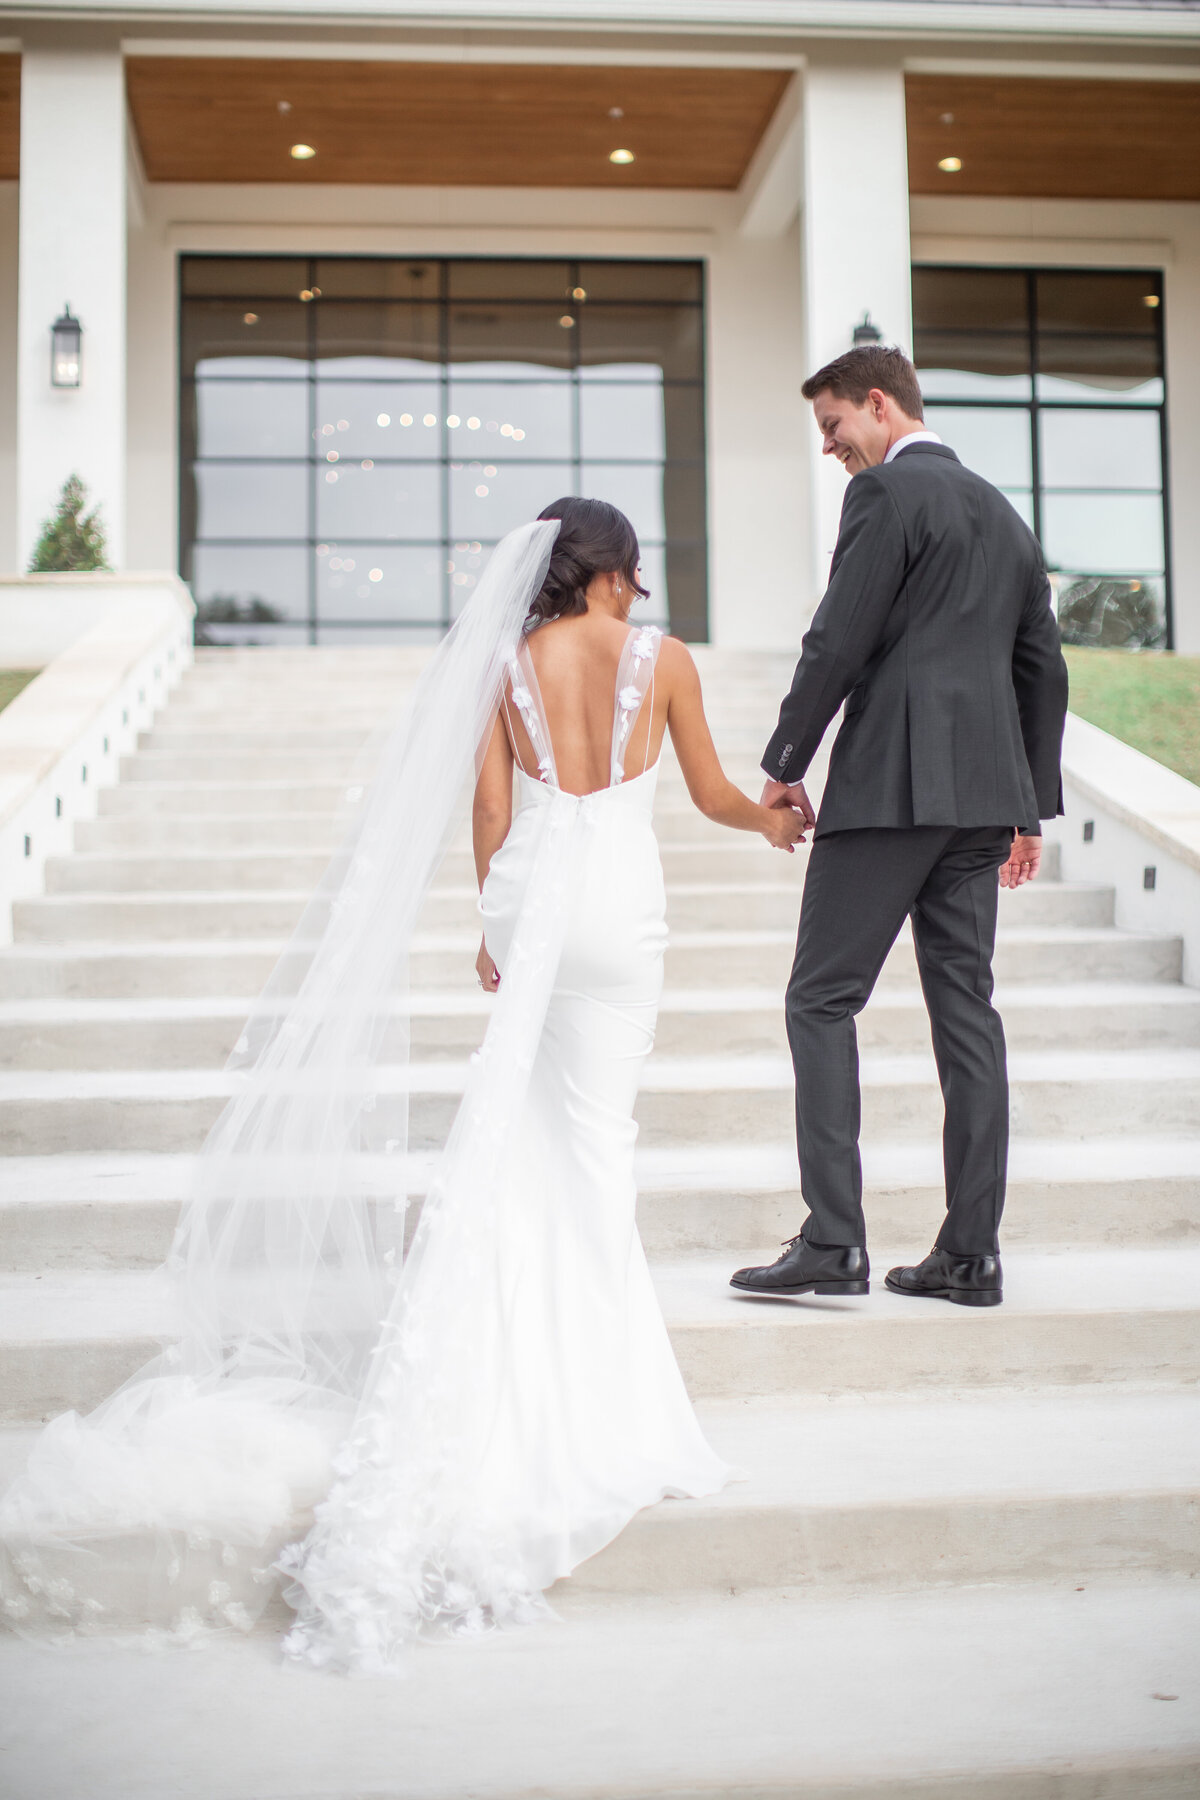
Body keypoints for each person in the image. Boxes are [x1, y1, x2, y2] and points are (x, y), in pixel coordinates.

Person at [0, 501, 805, 1674]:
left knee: (512, 1140)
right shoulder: (663, 660)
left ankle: (503, 1362)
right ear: (614, 574)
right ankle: (603, 1387)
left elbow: (489, 808)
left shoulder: (505, 666)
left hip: (533, 905)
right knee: (593, 1143)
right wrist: (775, 822)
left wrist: (494, 921)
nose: (640, 590)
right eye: (633, 573)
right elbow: (712, 793)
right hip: (621, 917)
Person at [730, 345, 1069, 1311]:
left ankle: (833, 1241)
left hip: (889, 791)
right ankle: (970, 1256)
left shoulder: (885, 498)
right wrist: (1028, 806)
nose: (832, 449)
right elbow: (1041, 666)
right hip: (979, 805)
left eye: (834, 426)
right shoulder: (1002, 513)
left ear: (879, 405)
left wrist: (785, 762)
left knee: (819, 1001)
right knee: (968, 1016)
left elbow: (839, 634)